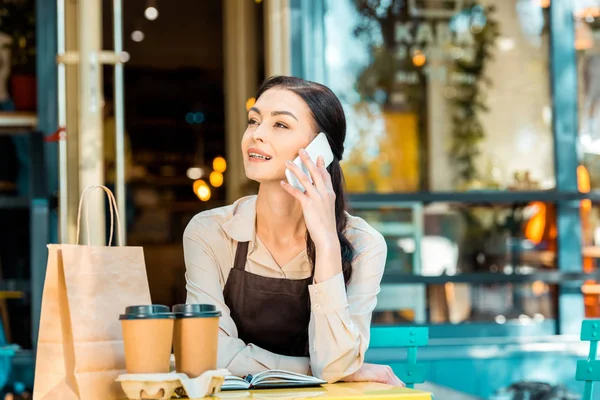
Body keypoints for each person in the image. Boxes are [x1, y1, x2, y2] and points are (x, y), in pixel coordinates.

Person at [183, 76, 404, 386]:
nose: (256, 135)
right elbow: (209, 354)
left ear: (321, 150)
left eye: (280, 125)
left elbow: (334, 363)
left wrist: (326, 243)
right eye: (254, 121)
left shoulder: (363, 245)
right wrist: (320, 372)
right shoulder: (210, 232)